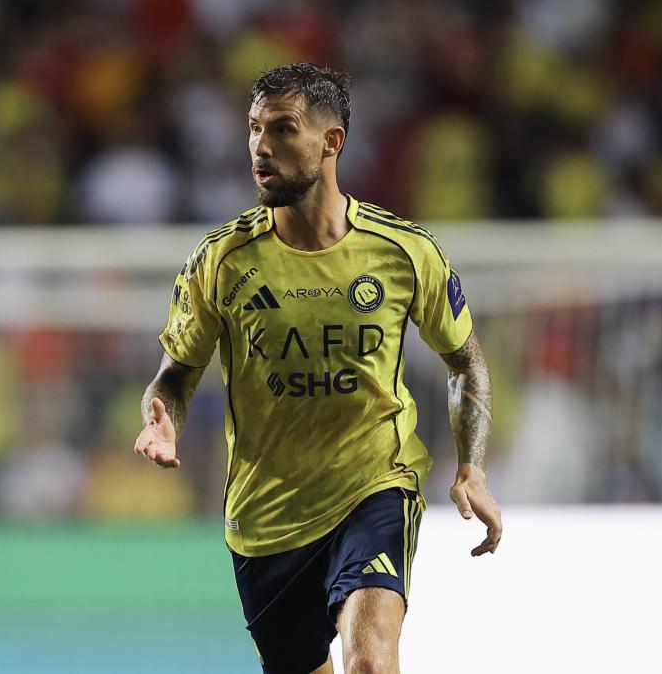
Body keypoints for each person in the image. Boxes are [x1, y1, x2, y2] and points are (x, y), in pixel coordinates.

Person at [133, 63, 502, 674]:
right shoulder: (220, 261)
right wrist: (162, 418)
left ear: (332, 142)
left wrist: (473, 466)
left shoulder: (403, 252)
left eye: (281, 129)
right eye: (253, 128)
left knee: (370, 661)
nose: (260, 146)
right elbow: (175, 375)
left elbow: (465, 361)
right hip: (265, 515)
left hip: (374, 485)